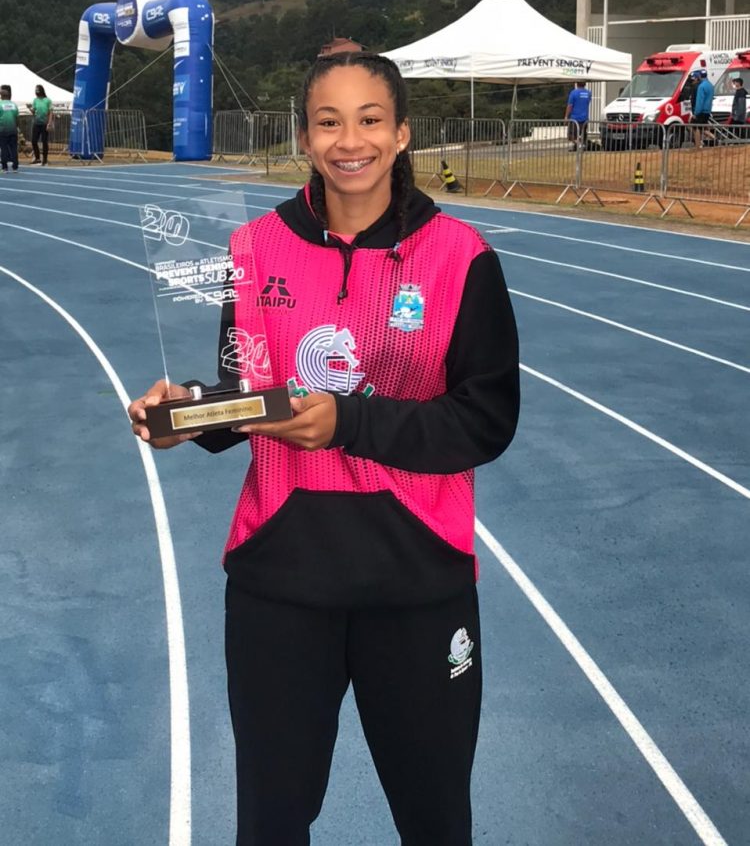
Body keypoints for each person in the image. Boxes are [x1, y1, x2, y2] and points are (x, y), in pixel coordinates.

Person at [129, 51, 520, 846]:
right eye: (329, 121)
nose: (352, 140)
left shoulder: (460, 256)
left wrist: (349, 424)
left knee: (437, 821)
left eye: (371, 119)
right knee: (271, 823)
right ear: (304, 137)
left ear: (403, 131)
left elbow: (485, 420)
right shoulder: (252, 249)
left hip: (418, 578)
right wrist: (188, 415)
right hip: (281, 579)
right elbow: (253, 394)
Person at [29, 84, 54, 165]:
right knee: (34, 141)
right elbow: (33, 111)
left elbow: (50, 112)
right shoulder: (35, 100)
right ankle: (37, 157)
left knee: (44, 141)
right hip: (36, 123)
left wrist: (49, 123)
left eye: (38, 90)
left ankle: (45, 159)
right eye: (36, 90)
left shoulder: (47, 100)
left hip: (44, 123)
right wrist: (30, 108)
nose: (37, 92)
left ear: (42, 91)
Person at [564, 79, 591, 151]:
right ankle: (581, 145)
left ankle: (579, 145)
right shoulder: (588, 93)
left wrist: (566, 116)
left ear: (577, 83)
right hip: (585, 118)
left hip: (575, 118)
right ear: (585, 84)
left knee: (571, 136)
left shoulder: (573, 93)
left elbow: (570, 106)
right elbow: (587, 103)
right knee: (583, 134)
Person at [692, 68, 714, 149]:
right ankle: (714, 138)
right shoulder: (710, 85)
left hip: (701, 111)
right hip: (708, 110)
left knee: (696, 127)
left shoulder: (701, 86)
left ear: (700, 76)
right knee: (702, 127)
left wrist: (696, 113)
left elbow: (699, 101)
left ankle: (698, 145)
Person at [0, 84, 19, 173]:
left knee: (4, 148)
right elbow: (16, 118)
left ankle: (5, 168)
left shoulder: (0, 104)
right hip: (13, 130)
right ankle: (15, 167)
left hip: (3, 130)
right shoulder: (14, 105)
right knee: (14, 148)